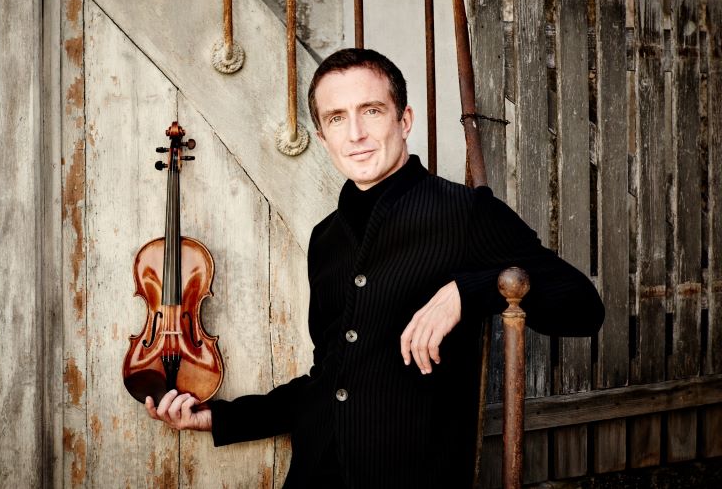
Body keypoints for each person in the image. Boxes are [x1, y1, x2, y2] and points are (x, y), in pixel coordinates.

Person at [145, 48, 604, 488]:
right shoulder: (325, 238)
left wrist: (468, 291)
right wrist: (223, 418)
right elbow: (331, 379)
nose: (355, 134)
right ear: (322, 137)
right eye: (336, 118)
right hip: (314, 477)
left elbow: (583, 307)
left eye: (371, 111)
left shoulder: (468, 212)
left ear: (404, 120)